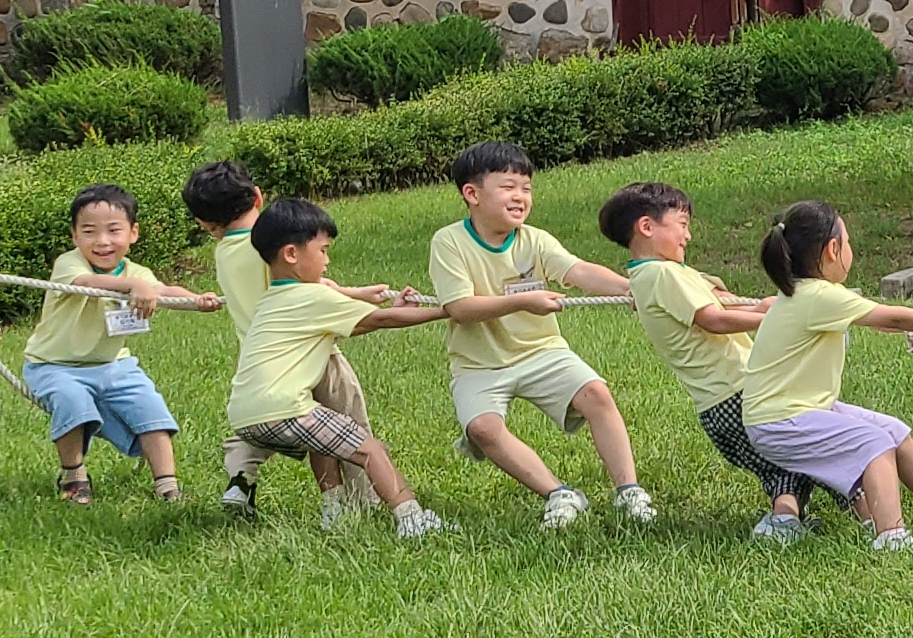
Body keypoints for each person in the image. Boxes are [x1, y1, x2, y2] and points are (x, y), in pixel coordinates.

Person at [736, 201, 913, 549]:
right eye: (848, 242)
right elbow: (892, 317)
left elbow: (880, 321)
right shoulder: (818, 296)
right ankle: (891, 537)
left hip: (793, 410)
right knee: (874, 443)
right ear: (833, 249)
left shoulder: (810, 293)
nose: (851, 250)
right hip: (779, 421)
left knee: (893, 431)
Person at [429, 141, 652, 529]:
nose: (520, 197)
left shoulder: (535, 239)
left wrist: (631, 288)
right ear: (472, 194)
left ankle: (629, 491)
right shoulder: (448, 242)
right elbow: (460, 308)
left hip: (541, 351)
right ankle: (560, 493)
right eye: (508, 187)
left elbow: (578, 271)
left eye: (526, 188)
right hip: (478, 364)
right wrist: (522, 301)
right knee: (482, 430)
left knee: (597, 395)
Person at [227, 197, 455, 539]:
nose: (328, 260)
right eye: (323, 250)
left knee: (326, 437)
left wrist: (396, 308)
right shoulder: (312, 296)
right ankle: (412, 518)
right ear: (291, 254)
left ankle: (334, 511)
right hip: (285, 409)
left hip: (244, 416)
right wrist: (448, 310)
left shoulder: (271, 300)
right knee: (370, 449)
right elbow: (380, 320)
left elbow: (358, 323)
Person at [602, 181, 811, 543]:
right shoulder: (662, 274)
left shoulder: (656, 274)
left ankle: (787, 521)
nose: (688, 235)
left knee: (785, 466)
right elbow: (712, 319)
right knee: (807, 451)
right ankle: (856, 514)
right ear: (647, 227)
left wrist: (761, 307)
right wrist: (773, 320)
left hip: (719, 404)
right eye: (682, 225)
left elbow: (720, 300)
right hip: (736, 393)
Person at [188, 159, 374, 523]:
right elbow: (312, 288)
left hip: (260, 360)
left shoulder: (223, 253)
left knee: (286, 428)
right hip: (309, 353)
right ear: (258, 198)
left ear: (205, 223)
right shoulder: (267, 248)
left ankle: (246, 478)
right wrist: (361, 296)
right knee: (347, 428)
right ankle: (362, 500)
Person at [19, 183, 223, 504]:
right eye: (89, 232)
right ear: (74, 236)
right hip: (54, 366)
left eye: (114, 230)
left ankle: (167, 485)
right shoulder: (69, 264)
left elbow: (164, 291)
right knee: (71, 400)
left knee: (150, 408)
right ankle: (73, 475)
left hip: (113, 364)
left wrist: (197, 300)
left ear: (133, 233)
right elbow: (88, 283)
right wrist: (134, 286)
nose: (102, 241)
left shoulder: (137, 272)